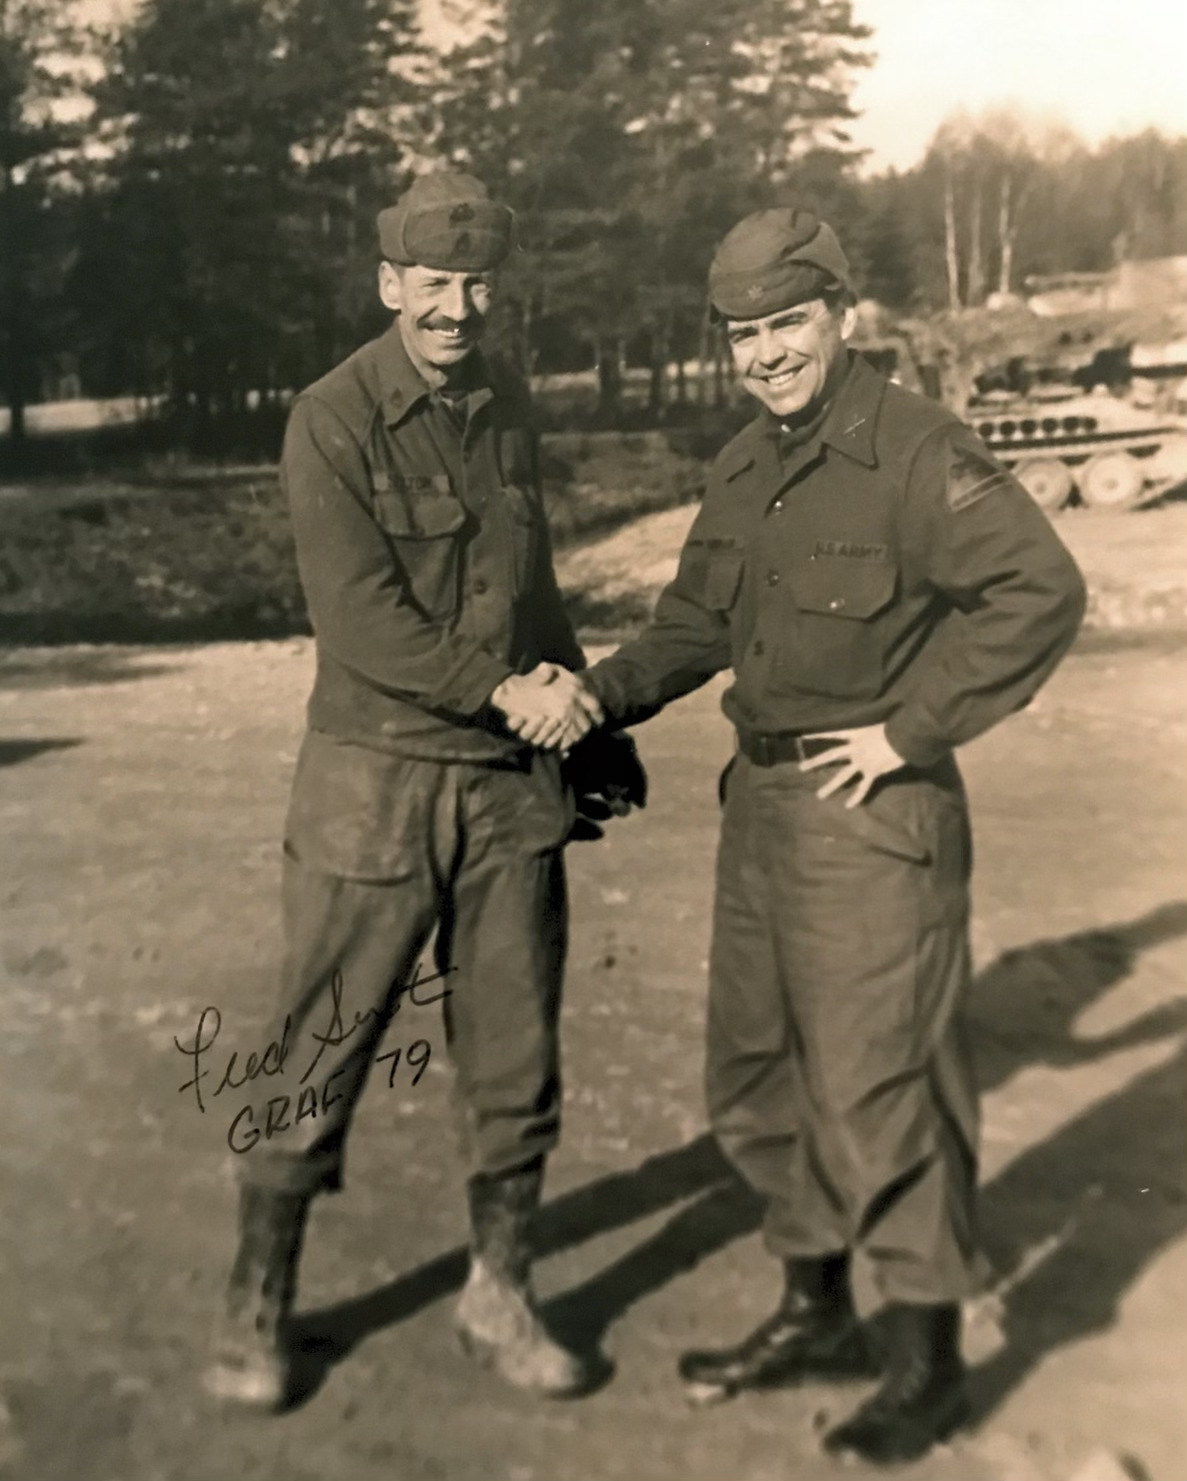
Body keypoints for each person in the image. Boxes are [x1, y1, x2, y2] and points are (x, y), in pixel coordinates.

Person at [578, 207, 1087, 1465]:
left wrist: (911, 729)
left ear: (838, 315)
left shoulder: (914, 449)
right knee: (757, 1076)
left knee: (880, 1086)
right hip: (758, 813)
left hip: (871, 814)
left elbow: (1039, 589)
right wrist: (601, 689)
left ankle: (926, 1361)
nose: (764, 354)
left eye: (786, 324)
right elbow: (695, 617)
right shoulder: (745, 463)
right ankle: (817, 1312)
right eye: (743, 334)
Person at [204, 170, 642, 1409]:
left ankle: (498, 1291)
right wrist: (510, 695)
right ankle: (255, 1304)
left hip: (508, 788)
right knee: (319, 1044)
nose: (457, 306)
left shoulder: (504, 402)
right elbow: (361, 622)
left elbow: (529, 575)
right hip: (375, 781)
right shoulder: (329, 417)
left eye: (476, 282)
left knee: (514, 1048)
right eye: (432, 283)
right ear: (389, 283)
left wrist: (582, 726)